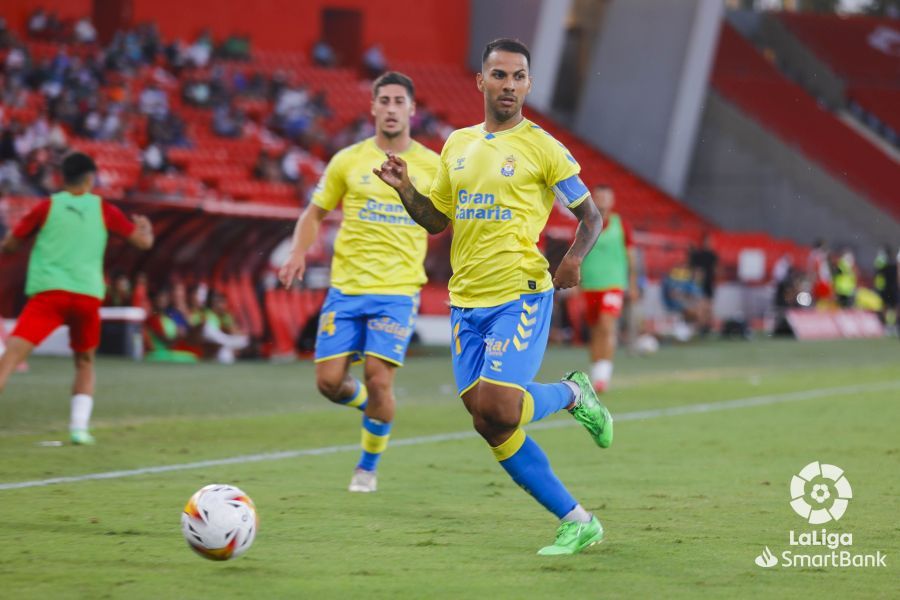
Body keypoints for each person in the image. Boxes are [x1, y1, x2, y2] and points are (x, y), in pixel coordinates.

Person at [373, 39, 612, 555]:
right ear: (481, 82)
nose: (509, 85)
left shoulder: (543, 147)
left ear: (528, 84)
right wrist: (405, 190)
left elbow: (591, 216)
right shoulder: (457, 145)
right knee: (488, 420)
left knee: (502, 405)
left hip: (520, 292)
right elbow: (437, 219)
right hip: (466, 301)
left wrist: (571, 259)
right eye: (499, 75)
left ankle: (574, 394)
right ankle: (578, 520)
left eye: (518, 76)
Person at [279, 72, 440, 493]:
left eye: (398, 101)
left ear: (411, 109)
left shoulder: (432, 165)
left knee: (378, 375)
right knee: (328, 383)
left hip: (399, 290)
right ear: (372, 108)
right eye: (383, 100)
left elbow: (450, 218)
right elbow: (314, 213)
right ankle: (376, 410)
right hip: (346, 288)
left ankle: (366, 467)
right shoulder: (347, 160)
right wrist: (297, 251)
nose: (390, 108)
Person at [0, 152, 154, 443]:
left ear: (61, 178)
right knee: (85, 362)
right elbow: (142, 242)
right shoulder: (103, 209)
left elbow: (10, 245)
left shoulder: (47, 207)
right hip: (86, 297)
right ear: (90, 179)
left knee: (11, 356)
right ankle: (79, 428)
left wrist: (9, 244)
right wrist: (146, 227)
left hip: (49, 294)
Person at [579, 185, 637, 393]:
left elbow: (631, 255)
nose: (602, 200)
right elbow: (577, 254)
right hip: (590, 285)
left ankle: (604, 376)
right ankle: (597, 375)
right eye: (599, 197)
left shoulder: (621, 225)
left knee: (606, 324)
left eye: (606, 197)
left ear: (612, 201)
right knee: (595, 330)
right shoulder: (585, 224)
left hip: (613, 284)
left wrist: (632, 282)